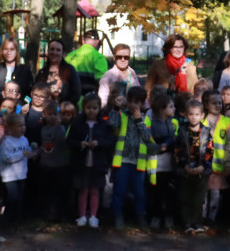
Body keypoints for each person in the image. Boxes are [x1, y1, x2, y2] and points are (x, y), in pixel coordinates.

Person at [109, 86, 152, 229]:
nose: (134, 105)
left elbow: (147, 137)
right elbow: (112, 123)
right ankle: (117, 216)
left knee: (139, 192)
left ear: (143, 103)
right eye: (131, 101)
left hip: (139, 162)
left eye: (137, 102)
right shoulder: (122, 115)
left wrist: (139, 120)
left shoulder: (146, 119)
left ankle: (140, 216)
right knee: (119, 190)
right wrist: (116, 107)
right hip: (122, 160)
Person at [69, 93, 115, 228]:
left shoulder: (104, 125)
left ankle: (94, 216)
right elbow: (70, 140)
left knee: (95, 190)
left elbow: (110, 141)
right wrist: (80, 144)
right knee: (83, 190)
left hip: (98, 163)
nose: (91, 111)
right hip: (81, 163)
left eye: (94, 108)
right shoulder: (77, 124)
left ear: (99, 108)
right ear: (83, 108)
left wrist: (99, 143)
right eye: (88, 108)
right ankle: (82, 215)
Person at [176, 99, 212, 234]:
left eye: (197, 114)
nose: (193, 117)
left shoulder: (206, 132)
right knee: (185, 197)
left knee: (199, 199)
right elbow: (177, 150)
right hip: (185, 170)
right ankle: (186, 223)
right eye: (191, 114)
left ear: (202, 115)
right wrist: (184, 165)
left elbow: (210, 151)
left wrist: (203, 166)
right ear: (185, 115)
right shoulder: (181, 131)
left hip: (201, 171)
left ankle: (197, 222)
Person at [201, 90, 230, 225]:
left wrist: (228, 163)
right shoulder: (201, 120)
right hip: (202, 166)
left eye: (219, 102)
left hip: (218, 166)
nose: (217, 105)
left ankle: (212, 218)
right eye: (213, 103)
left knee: (215, 194)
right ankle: (201, 217)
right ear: (206, 104)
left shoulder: (226, 122)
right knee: (202, 194)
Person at [147, 93, 180, 230]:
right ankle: (156, 216)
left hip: (171, 164)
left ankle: (168, 217)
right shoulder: (152, 124)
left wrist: (170, 145)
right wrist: (163, 146)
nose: (174, 109)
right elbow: (150, 144)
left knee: (169, 192)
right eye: (171, 107)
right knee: (156, 193)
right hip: (156, 165)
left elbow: (177, 141)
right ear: (161, 109)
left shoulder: (174, 123)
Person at [0, 112, 37, 224]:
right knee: (12, 197)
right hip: (10, 176)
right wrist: (21, 155)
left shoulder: (24, 139)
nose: (22, 128)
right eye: (19, 126)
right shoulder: (7, 142)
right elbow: (6, 158)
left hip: (22, 174)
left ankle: (17, 219)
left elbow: (26, 153)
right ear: (10, 128)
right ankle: (7, 218)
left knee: (20, 197)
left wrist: (33, 152)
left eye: (23, 125)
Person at [39, 101, 72, 221]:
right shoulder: (42, 128)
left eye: (55, 114)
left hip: (60, 164)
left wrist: (59, 126)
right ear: (45, 115)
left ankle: (60, 213)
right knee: (47, 191)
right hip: (46, 164)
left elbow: (63, 140)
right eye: (50, 114)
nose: (52, 116)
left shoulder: (62, 128)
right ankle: (47, 213)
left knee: (60, 191)